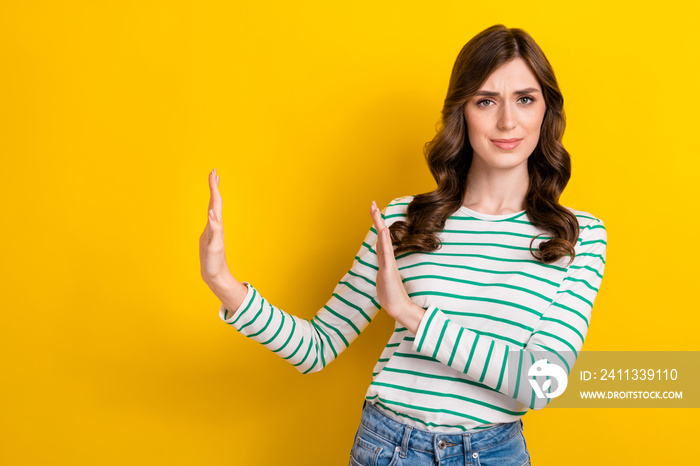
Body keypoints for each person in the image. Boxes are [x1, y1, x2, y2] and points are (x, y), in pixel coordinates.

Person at [199, 24, 607, 466]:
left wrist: (412, 315)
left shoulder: (577, 237)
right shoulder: (405, 219)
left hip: (495, 454)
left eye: (525, 99)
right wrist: (222, 281)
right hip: (388, 449)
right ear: (462, 112)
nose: (507, 121)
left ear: (546, 110)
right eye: (486, 101)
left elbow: (541, 384)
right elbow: (316, 347)